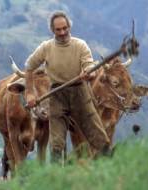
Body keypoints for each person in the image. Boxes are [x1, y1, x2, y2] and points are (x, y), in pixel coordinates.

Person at [24, 11, 111, 162]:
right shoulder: (46, 48)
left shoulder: (80, 45)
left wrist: (88, 73)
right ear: (53, 30)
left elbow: (89, 66)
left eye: (65, 28)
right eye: (58, 29)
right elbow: (29, 67)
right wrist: (30, 93)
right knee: (56, 143)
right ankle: (58, 178)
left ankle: (112, 168)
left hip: (80, 93)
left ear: (69, 26)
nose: (62, 32)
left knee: (97, 134)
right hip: (57, 95)